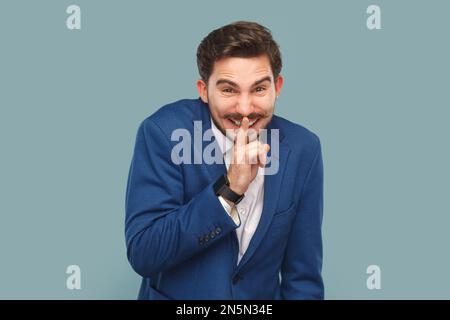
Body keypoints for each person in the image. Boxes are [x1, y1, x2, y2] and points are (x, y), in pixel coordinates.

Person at [125, 21, 324, 300]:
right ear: (204, 90)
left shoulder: (304, 148)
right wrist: (229, 189)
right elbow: (144, 253)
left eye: (259, 89)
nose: (245, 109)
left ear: (277, 87)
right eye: (229, 90)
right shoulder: (163, 133)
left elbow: (303, 278)